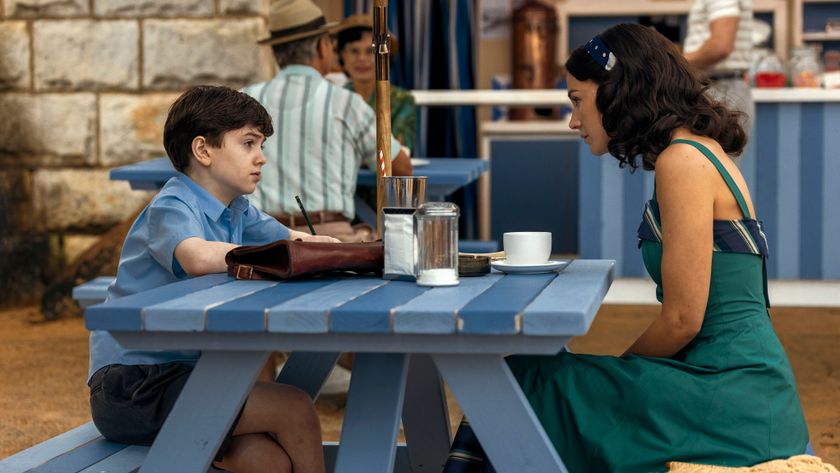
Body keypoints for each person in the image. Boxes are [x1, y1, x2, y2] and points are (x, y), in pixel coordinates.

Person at [444, 24, 808, 472]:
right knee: (547, 378)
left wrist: (619, 371)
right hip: (743, 389)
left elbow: (682, 320)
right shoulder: (699, 152)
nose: (573, 120)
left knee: (528, 379)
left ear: (617, 92)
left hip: (731, 399)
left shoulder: (682, 162)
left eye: (577, 101)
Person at [88, 85, 337, 473]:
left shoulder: (237, 210)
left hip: (184, 379)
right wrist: (276, 256)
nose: (262, 158)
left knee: (268, 462)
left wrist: (353, 251)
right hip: (133, 386)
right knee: (295, 407)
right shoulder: (171, 206)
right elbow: (197, 257)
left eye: (261, 144)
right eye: (249, 143)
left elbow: (295, 241)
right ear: (203, 150)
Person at [243, 0, 413, 243]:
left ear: (275, 52)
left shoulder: (245, 98)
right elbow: (401, 168)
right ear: (324, 47)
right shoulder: (346, 102)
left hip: (259, 238)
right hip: (329, 239)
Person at [334, 13, 417, 151]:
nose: (362, 59)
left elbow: (396, 150)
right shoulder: (334, 99)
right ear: (343, 55)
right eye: (354, 51)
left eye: (371, 51)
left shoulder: (403, 101)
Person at [683, 0, 755, 134]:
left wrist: (676, 62)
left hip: (720, 90)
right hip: (721, 88)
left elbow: (721, 47)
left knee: (706, 154)